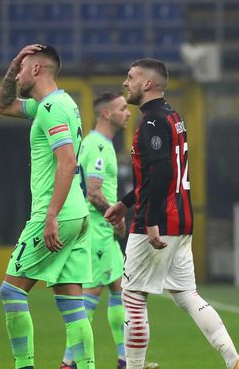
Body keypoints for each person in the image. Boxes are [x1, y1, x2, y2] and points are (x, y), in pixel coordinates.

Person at [104, 59, 239, 369]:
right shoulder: (172, 116)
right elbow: (156, 174)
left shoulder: (152, 122)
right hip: (181, 220)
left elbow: (163, 171)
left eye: (131, 77)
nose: (125, 83)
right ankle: (234, 360)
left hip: (156, 224)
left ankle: (133, 366)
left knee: (132, 296)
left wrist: (151, 220)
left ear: (148, 84)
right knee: (187, 295)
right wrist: (125, 203)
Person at [0, 44, 95, 368]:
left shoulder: (50, 109)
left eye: (23, 68)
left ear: (37, 70)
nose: (19, 74)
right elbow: (3, 105)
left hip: (56, 213)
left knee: (11, 293)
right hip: (78, 214)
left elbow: (66, 162)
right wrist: (13, 63)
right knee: (72, 306)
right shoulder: (58, 104)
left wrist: (50, 215)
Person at [59, 93, 155, 369]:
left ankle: (126, 360)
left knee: (121, 291)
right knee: (90, 297)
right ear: (106, 114)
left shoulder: (97, 143)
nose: (128, 112)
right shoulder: (98, 147)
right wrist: (116, 217)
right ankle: (69, 362)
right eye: (122, 108)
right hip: (99, 231)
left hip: (104, 232)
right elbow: (93, 192)